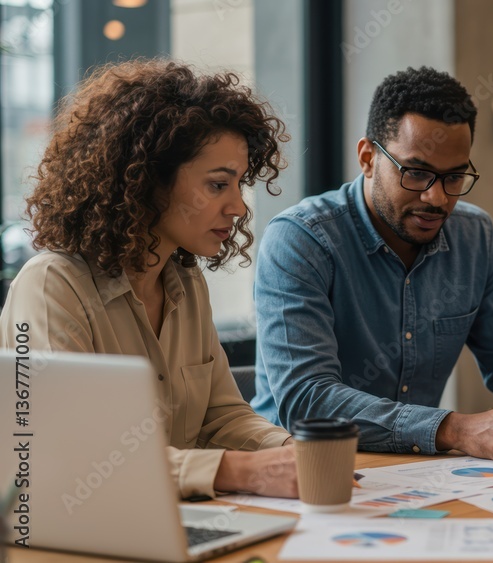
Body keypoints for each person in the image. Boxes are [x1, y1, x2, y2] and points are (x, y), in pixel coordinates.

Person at [252, 66, 493, 461]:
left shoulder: (476, 238)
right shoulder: (301, 240)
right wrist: (453, 428)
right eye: (417, 173)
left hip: (416, 474)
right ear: (368, 158)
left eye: (454, 177)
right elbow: (307, 398)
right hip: (298, 472)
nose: (436, 198)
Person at [0, 60, 299, 500]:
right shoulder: (52, 287)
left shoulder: (186, 283)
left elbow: (223, 417)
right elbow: (71, 452)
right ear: (148, 181)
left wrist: (294, 450)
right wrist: (240, 470)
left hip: (174, 522)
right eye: (219, 185)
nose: (238, 207)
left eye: (239, 185)